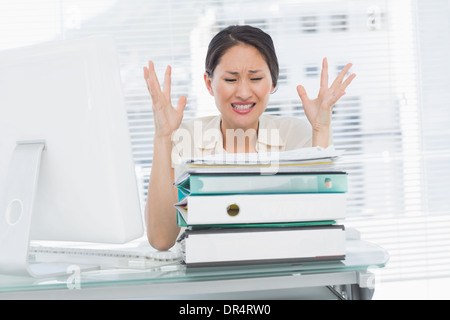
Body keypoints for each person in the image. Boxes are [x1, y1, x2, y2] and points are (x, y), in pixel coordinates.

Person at [143, 25, 355, 250]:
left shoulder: (296, 135)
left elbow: (319, 230)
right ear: (209, 83)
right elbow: (161, 240)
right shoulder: (185, 137)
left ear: (272, 82)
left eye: (255, 78)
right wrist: (163, 137)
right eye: (231, 80)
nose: (243, 92)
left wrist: (321, 129)